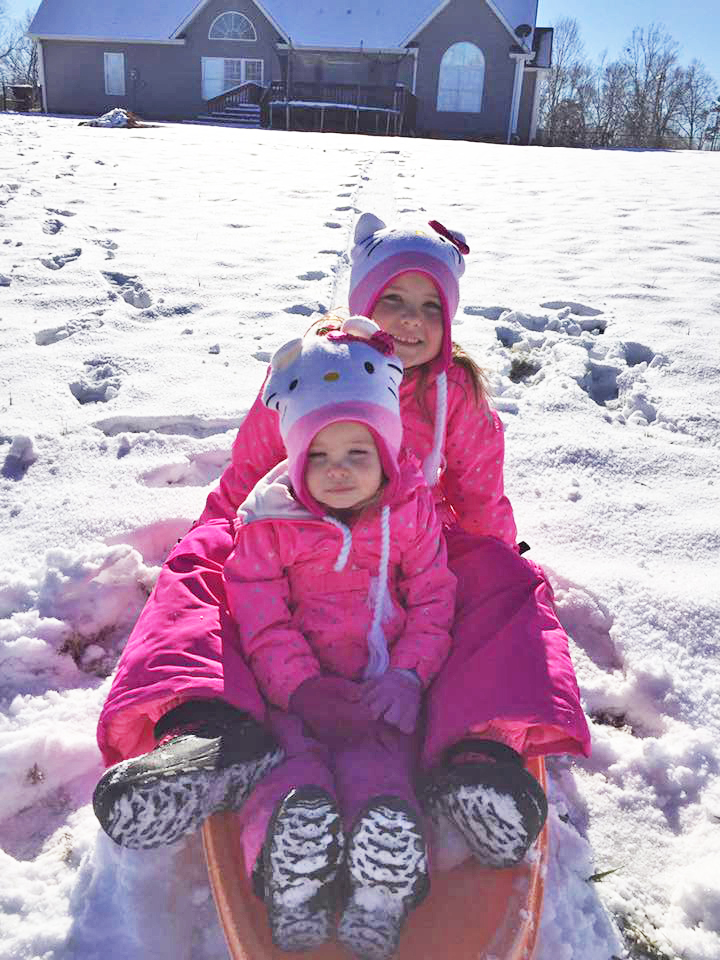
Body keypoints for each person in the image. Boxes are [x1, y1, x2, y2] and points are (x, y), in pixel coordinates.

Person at [94, 213, 590, 874]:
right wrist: (211, 538)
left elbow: (478, 498)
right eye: (394, 299)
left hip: (410, 539)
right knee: (202, 568)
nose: (411, 321)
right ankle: (206, 731)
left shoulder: (456, 395)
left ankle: (481, 751)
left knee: (506, 585)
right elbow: (248, 474)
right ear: (362, 301)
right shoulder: (311, 372)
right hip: (290, 532)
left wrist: (500, 569)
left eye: (430, 308)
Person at [223, 318, 455, 956]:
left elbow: (434, 597)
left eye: (357, 454)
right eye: (318, 457)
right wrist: (300, 689)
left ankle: (382, 884)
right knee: (291, 772)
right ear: (295, 459)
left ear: (387, 455)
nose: (338, 471)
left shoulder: (410, 513)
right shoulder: (270, 524)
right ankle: (289, 872)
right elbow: (260, 616)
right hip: (295, 696)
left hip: (380, 692)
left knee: (381, 775)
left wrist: (408, 674)